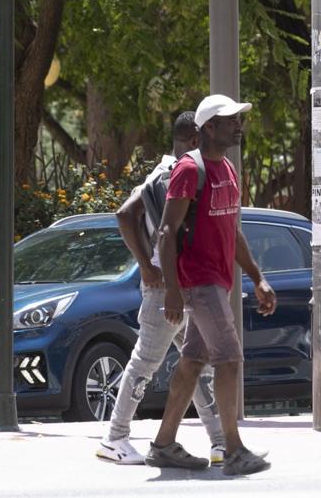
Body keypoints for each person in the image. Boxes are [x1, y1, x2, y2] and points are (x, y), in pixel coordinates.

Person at [146, 94, 276, 477]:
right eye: (230, 119)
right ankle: (233, 449)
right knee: (230, 358)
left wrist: (257, 276)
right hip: (198, 281)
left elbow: (232, 232)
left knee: (192, 361)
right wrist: (171, 288)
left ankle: (164, 444)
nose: (239, 125)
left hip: (219, 282)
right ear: (208, 128)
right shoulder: (190, 169)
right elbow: (167, 232)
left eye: (240, 119)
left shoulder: (229, 170)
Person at [95, 112, 226, 466]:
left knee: (196, 362)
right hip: (171, 286)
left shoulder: (164, 171)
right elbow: (127, 216)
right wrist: (148, 266)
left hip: (181, 283)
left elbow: (127, 215)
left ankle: (220, 442)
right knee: (146, 362)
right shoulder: (174, 173)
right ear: (194, 139)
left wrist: (147, 264)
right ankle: (115, 437)